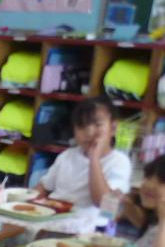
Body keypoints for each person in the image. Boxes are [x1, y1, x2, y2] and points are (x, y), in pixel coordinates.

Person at [35, 96, 131, 225]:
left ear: (113, 128)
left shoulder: (119, 162)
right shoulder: (68, 155)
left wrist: (94, 159)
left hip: (88, 228)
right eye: (81, 126)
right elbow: (44, 186)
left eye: (97, 125)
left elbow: (103, 203)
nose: (89, 132)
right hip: (54, 219)